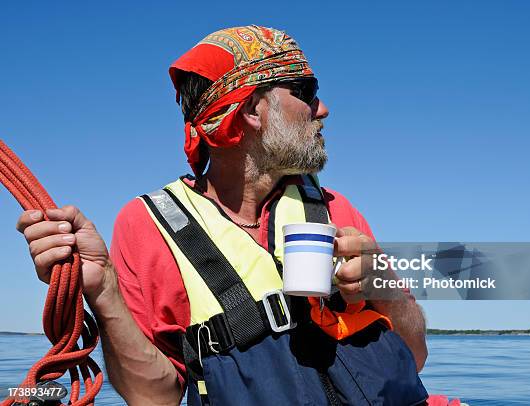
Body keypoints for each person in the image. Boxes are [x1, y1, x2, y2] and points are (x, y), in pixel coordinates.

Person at [17, 25, 430, 405]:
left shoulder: (336, 209)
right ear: (252, 111)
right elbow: (154, 398)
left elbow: (414, 355)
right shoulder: (147, 225)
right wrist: (102, 289)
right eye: (305, 91)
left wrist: (382, 280)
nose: (322, 109)